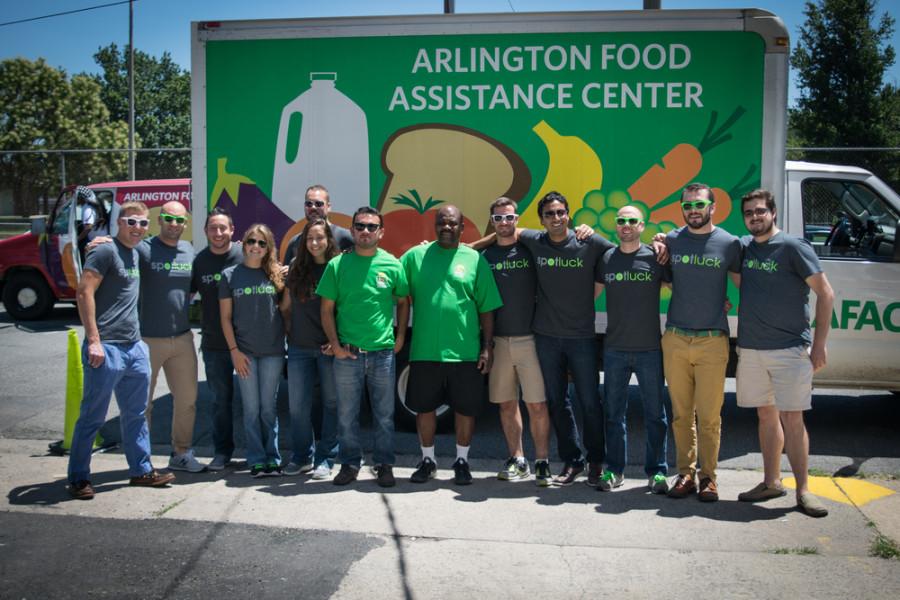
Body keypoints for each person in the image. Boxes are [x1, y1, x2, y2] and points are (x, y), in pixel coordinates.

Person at [734, 189, 834, 518]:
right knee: (766, 416)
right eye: (749, 213)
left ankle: (804, 490)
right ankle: (771, 481)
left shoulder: (793, 247)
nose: (755, 217)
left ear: (773, 213)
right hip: (752, 349)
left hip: (791, 349)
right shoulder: (745, 248)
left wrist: (818, 344)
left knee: (793, 419)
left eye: (760, 211)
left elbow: (826, 294)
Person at [67, 201, 174, 499]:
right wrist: (94, 340)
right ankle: (78, 477)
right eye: (131, 222)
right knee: (92, 416)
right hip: (107, 348)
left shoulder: (136, 251)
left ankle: (141, 471)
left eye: (142, 223)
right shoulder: (105, 251)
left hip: (134, 347)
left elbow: (165, 243)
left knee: (136, 414)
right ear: (119, 222)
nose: (137, 228)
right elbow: (84, 291)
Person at [517, 191, 614, 486]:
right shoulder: (536, 241)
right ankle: (573, 461)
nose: (556, 218)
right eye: (549, 214)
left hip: (581, 337)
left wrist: (660, 244)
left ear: (569, 215)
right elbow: (509, 230)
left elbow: (624, 250)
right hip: (546, 337)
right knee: (557, 402)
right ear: (542, 219)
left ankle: (597, 460)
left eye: (561, 212)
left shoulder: (589, 242)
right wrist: (469, 245)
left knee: (589, 402)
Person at [402, 205, 503, 486]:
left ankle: (462, 461)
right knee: (425, 409)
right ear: (435, 226)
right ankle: (427, 460)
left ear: (462, 228)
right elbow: (392, 286)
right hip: (424, 350)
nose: (447, 227)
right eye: (442, 223)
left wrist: (487, 346)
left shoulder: (474, 260)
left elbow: (487, 308)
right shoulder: (415, 256)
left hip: (464, 352)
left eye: (453, 223)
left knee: (465, 409)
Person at [662, 182, 742, 502]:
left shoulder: (729, 243)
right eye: (688, 206)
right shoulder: (670, 240)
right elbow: (664, 277)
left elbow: (747, 285)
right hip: (676, 338)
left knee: (709, 417)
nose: (693, 211)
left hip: (712, 341)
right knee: (682, 415)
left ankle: (709, 477)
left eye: (699, 205)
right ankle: (685, 474)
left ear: (713, 207)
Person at [318, 207, 409, 488]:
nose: (366, 231)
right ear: (353, 230)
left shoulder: (392, 264)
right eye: (360, 226)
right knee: (347, 416)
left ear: (381, 232)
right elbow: (326, 309)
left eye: (372, 226)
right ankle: (349, 464)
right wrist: (335, 345)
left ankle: (384, 464)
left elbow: (404, 301)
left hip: (382, 353)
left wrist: (401, 336)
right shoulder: (337, 265)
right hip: (348, 353)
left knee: (384, 416)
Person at [595, 205, 670, 494]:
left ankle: (658, 472)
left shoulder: (655, 256)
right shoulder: (607, 259)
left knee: (655, 415)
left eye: (632, 221)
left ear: (642, 226)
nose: (626, 225)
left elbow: (683, 287)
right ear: (616, 226)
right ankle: (614, 470)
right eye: (621, 220)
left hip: (650, 349)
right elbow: (589, 294)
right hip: (614, 349)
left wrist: (721, 303)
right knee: (613, 414)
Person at [480, 197, 552, 486]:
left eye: (509, 218)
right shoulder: (484, 258)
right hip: (498, 341)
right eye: (498, 218)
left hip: (530, 340)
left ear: (517, 219)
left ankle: (543, 462)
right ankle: (518, 460)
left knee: (537, 405)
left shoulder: (531, 247)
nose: (504, 223)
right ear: (492, 221)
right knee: (507, 404)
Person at [135, 200, 205, 473]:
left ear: (185, 224)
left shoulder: (188, 251)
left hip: (182, 338)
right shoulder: (143, 249)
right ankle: (141, 459)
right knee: (142, 404)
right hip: (147, 339)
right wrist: (104, 241)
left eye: (179, 220)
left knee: (187, 400)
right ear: (159, 220)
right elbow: (119, 252)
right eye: (168, 218)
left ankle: (181, 453)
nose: (174, 224)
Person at [219, 224, 286, 478]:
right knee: (251, 409)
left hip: (273, 352)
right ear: (243, 243)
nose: (255, 247)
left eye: (262, 243)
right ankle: (256, 459)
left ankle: (273, 457)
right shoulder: (229, 275)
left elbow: (287, 310)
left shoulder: (276, 275)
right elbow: (225, 318)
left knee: (268, 408)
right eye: (251, 241)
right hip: (244, 352)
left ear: (268, 247)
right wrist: (234, 351)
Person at [280, 219, 340, 480]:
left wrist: (336, 341)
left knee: (331, 404)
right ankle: (302, 457)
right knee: (298, 407)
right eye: (309, 239)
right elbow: (286, 307)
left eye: (319, 238)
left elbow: (345, 309)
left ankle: (326, 458)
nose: (314, 243)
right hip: (299, 349)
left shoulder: (338, 267)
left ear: (328, 240)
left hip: (327, 349)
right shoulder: (296, 267)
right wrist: (289, 334)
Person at [191, 207, 243, 471]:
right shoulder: (198, 262)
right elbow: (183, 296)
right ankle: (223, 452)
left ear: (232, 230)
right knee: (220, 403)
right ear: (205, 232)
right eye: (213, 228)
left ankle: (263, 453)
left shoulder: (246, 254)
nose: (219, 233)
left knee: (260, 405)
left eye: (223, 228)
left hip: (248, 344)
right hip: (214, 344)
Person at [283, 184, 353, 262]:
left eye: (318, 204)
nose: (313, 207)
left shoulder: (345, 237)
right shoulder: (296, 242)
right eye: (309, 204)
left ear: (328, 207)